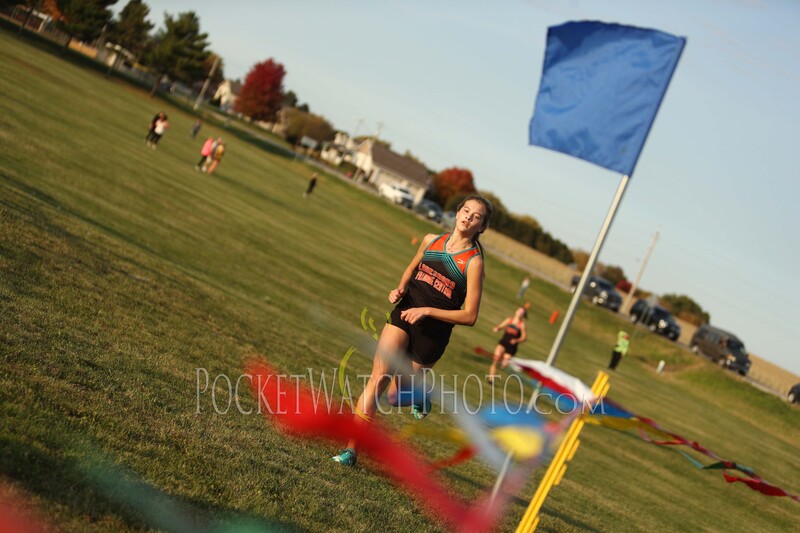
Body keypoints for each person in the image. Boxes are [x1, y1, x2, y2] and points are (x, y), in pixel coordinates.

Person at [332, 195, 494, 466]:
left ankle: (420, 396)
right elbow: (411, 268)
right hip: (405, 313)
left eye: (476, 216)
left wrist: (427, 311)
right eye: (466, 210)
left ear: (482, 227)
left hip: (432, 334)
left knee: (396, 397)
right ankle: (351, 451)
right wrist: (400, 289)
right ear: (457, 213)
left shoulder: (473, 263)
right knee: (378, 378)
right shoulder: (431, 240)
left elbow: (470, 316)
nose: (468, 217)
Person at [487, 302, 529, 382]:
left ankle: (502, 364)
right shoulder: (509, 320)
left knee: (504, 365)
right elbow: (500, 326)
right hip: (503, 342)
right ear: (516, 311)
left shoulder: (522, 324)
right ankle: (491, 379)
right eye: (519, 311)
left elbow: (524, 337)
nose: (520, 313)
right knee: (495, 360)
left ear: (523, 315)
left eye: (522, 312)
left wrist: (516, 340)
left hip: (511, 347)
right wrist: (497, 328)